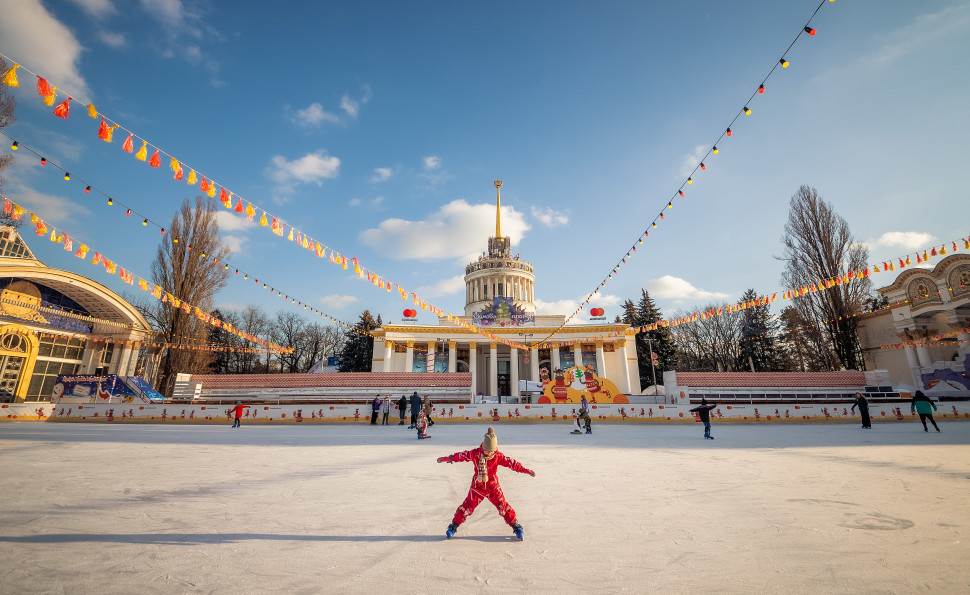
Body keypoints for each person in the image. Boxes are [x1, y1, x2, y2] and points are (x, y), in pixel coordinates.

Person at [437, 426, 535, 540]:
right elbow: (461, 456)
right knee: (467, 507)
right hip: (477, 487)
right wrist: (447, 459)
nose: (489, 453)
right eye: (487, 450)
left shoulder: (498, 456)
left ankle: (516, 526)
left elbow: (512, 464)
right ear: (484, 447)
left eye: (491, 451)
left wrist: (526, 471)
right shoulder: (475, 454)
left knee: (503, 507)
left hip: (493, 487)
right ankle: (453, 527)